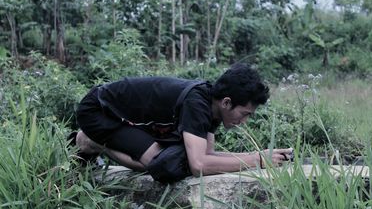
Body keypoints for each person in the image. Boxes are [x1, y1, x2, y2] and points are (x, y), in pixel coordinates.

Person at [71, 63, 292, 182]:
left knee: (169, 158)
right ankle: (92, 141)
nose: (244, 121)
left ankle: (97, 141)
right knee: (158, 162)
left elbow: (208, 156)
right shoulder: (197, 103)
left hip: (118, 113)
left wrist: (262, 155)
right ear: (227, 102)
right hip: (98, 110)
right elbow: (199, 166)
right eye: (244, 114)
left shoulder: (212, 107)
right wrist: (256, 161)